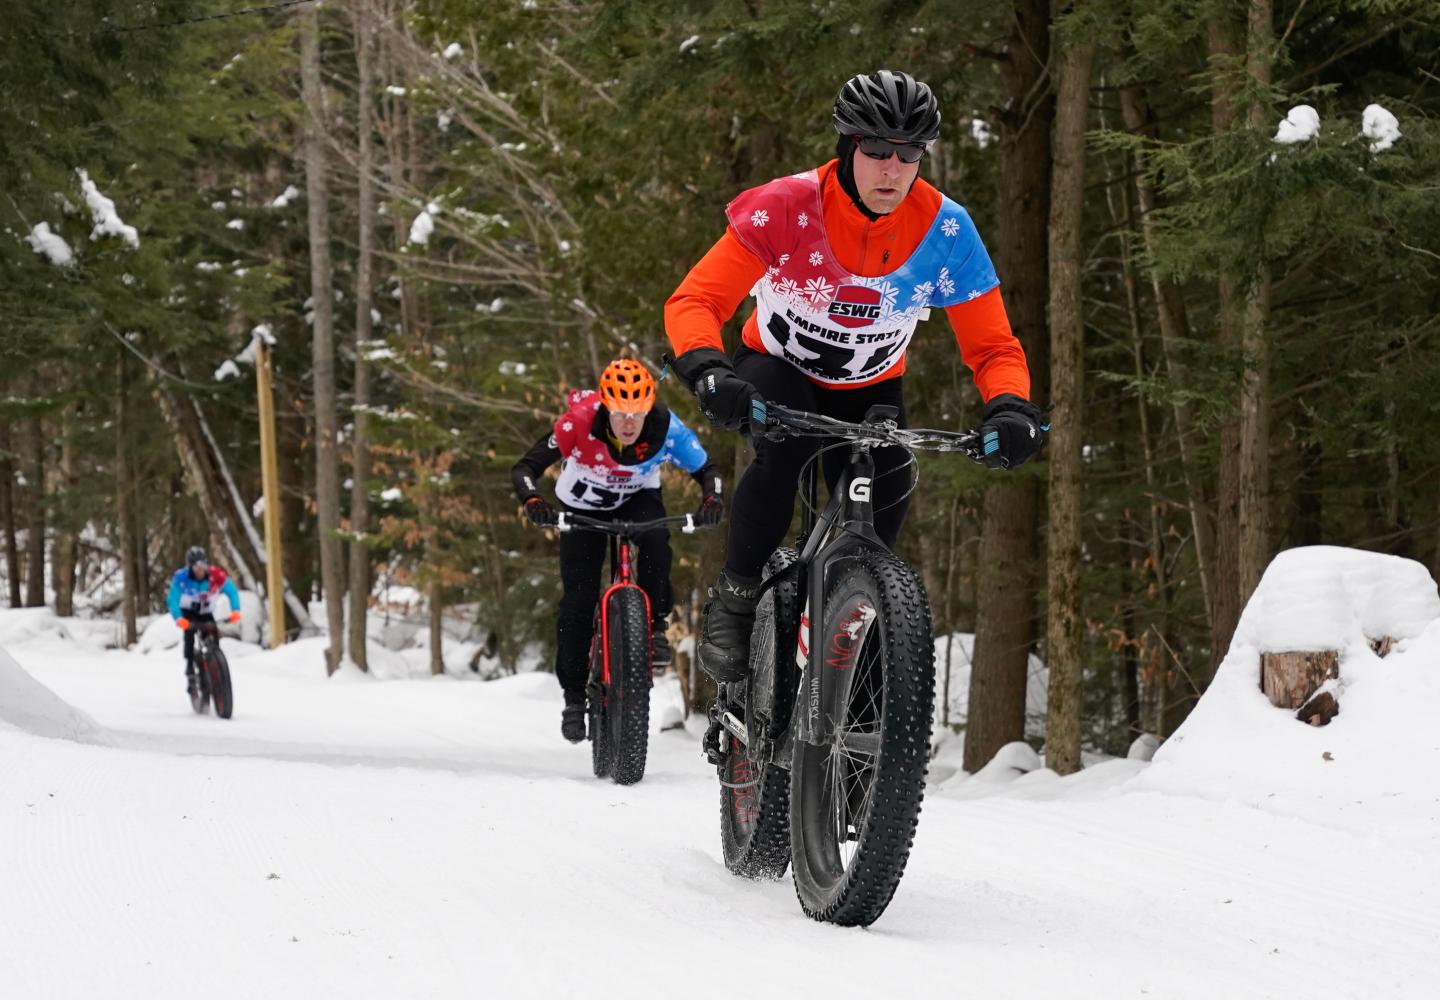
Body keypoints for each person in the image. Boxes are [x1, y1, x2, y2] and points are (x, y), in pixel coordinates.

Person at [665, 69, 1043, 683]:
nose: (892, 170)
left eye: (909, 154)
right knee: (783, 455)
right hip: (778, 368)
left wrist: (1009, 407)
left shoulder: (946, 230)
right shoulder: (787, 205)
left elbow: (994, 345)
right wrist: (708, 369)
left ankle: (850, 652)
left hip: (870, 387)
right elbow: (695, 301)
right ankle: (734, 598)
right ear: (848, 145)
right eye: (876, 151)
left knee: (889, 485)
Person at [512, 358, 724, 743]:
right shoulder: (579, 420)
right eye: (620, 414)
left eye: (637, 414)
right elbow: (525, 468)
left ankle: (655, 626)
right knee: (578, 599)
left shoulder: (666, 427)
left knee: (657, 544)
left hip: (637, 499)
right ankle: (574, 697)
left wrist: (711, 499)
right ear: (605, 408)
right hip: (582, 507)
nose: (629, 423)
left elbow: (707, 470)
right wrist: (532, 501)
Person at [167, 545, 242, 696]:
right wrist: (179, 619)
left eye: (202, 565)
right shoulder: (181, 579)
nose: (200, 569)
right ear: (190, 567)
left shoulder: (216, 575)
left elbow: (232, 591)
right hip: (188, 612)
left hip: (206, 611)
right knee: (189, 635)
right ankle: (190, 669)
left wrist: (235, 610)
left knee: (212, 630)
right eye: (195, 566)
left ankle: (216, 662)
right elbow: (172, 600)